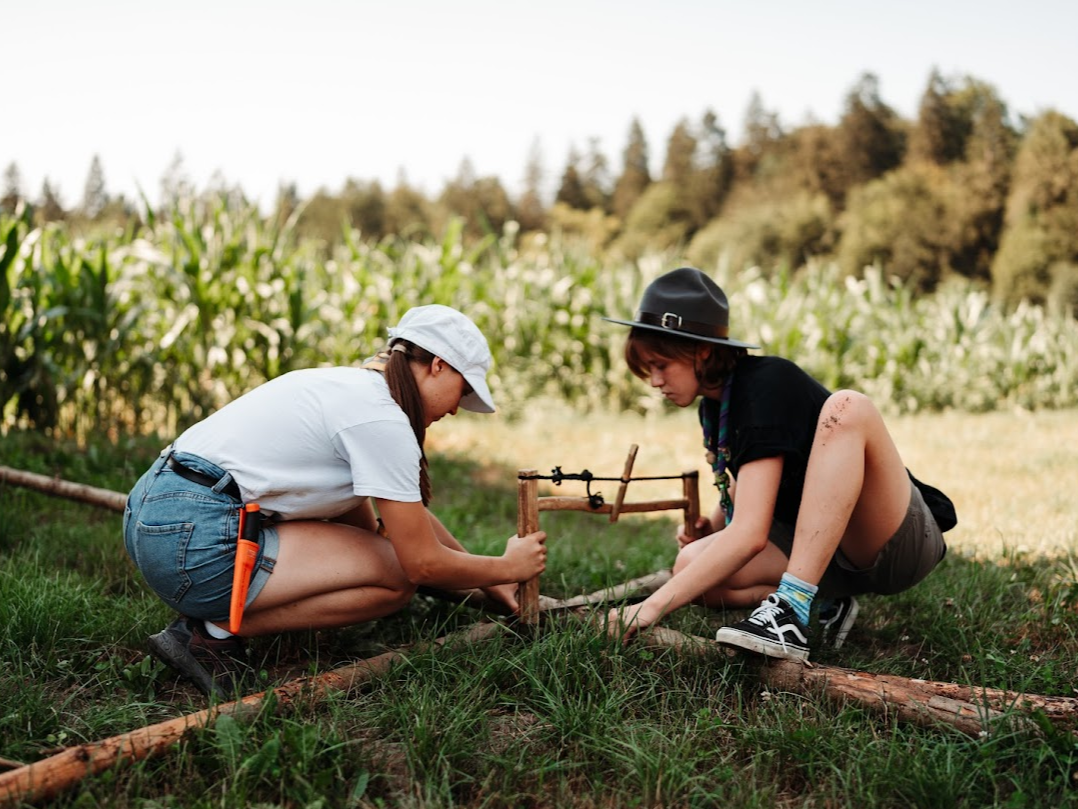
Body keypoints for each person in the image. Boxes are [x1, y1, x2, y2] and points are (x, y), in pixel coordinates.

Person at [124, 304, 547, 698]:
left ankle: (212, 618)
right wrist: (509, 566)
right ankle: (208, 632)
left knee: (387, 557)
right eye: (463, 390)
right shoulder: (382, 420)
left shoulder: (346, 387)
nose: (457, 409)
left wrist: (489, 583)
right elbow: (419, 562)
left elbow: (394, 526)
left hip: (155, 513)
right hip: (193, 542)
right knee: (398, 578)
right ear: (438, 365)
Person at [603, 267, 955, 661]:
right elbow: (749, 484)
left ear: (701, 350)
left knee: (847, 407)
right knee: (692, 565)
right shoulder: (717, 405)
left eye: (661, 365)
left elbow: (752, 534)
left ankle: (791, 609)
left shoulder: (767, 384)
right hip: (831, 554)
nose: (653, 381)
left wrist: (646, 609)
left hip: (894, 543)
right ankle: (824, 605)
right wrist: (715, 527)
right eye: (648, 369)